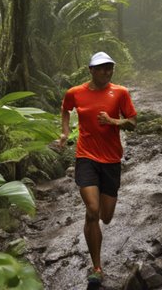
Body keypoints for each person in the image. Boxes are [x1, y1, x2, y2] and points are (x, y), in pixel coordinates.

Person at [59, 51, 137, 288]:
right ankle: (96, 267)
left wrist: (114, 122)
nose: (106, 71)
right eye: (102, 68)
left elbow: (133, 122)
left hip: (111, 159)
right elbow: (65, 109)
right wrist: (64, 133)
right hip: (86, 157)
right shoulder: (75, 93)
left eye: (110, 67)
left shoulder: (120, 93)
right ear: (91, 70)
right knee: (92, 210)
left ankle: (94, 220)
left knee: (106, 216)